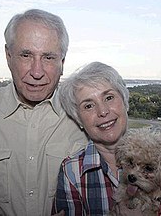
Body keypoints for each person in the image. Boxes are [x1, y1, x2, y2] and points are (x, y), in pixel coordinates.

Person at [0, 9, 87, 216]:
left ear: (62, 61)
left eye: (48, 57)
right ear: (8, 56)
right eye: (26, 55)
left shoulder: (84, 116)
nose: (36, 72)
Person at [52, 62, 143, 215]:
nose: (103, 111)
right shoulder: (72, 171)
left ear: (125, 102)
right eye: (88, 106)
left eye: (109, 97)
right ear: (79, 120)